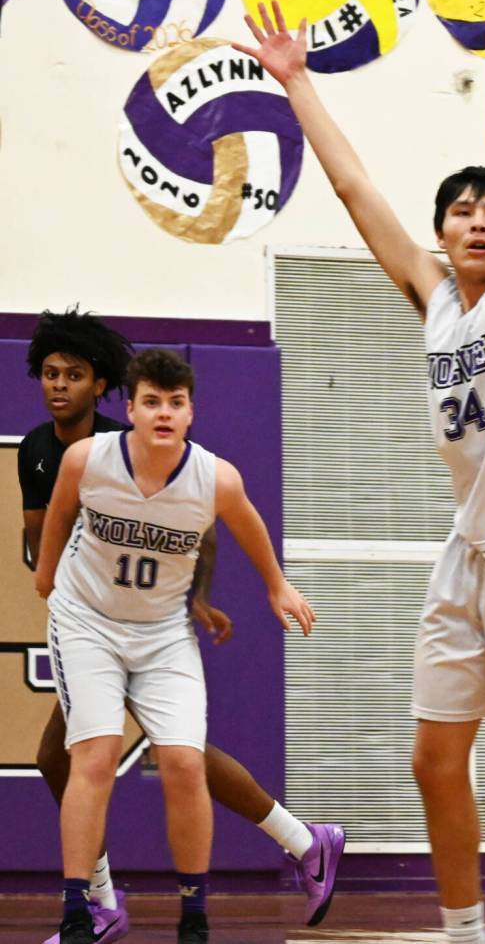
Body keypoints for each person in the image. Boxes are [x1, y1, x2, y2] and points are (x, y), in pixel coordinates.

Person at [232, 0, 485, 942]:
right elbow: (358, 191)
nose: (482, 220)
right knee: (430, 760)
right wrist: (296, 85)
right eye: (462, 214)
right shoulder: (436, 299)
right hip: (468, 554)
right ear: (442, 234)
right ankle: (461, 932)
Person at [30, 345, 335, 944]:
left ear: (191, 412)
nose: (164, 413)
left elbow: (241, 524)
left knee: (184, 762)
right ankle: (79, 912)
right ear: (133, 409)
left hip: (161, 632)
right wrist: (46, 577)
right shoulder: (88, 460)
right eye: (152, 402)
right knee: (91, 756)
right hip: (88, 621)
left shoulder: (213, 477)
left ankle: (193, 916)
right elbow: (59, 514)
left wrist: (277, 585)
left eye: (176, 403)